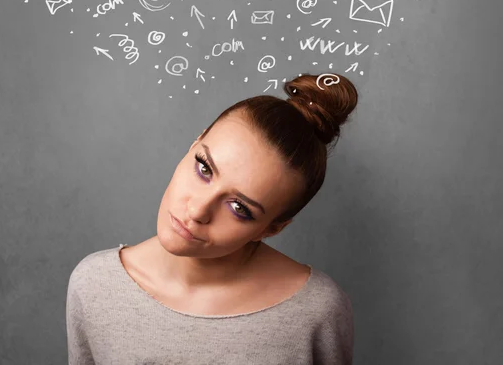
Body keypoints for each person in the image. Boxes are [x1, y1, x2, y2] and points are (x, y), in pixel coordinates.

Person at [66, 72, 359, 364]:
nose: (196, 211)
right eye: (204, 168)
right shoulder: (95, 284)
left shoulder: (317, 312)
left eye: (239, 208)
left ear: (271, 228)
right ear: (194, 145)